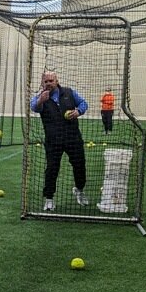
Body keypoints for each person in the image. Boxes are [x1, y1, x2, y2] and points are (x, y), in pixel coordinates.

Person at [30, 70, 89, 211]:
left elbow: (83, 103)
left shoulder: (69, 93)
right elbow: (34, 108)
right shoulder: (40, 97)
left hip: (73, 138)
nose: (49, 83)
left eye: (51, 80)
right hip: (53, 140)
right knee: (52, 169)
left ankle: (79, 190)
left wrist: (78, 112)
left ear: (56, 81)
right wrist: (40, 101)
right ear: (42, 83)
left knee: (79, 164)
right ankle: (49, 199)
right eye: (46, 81)